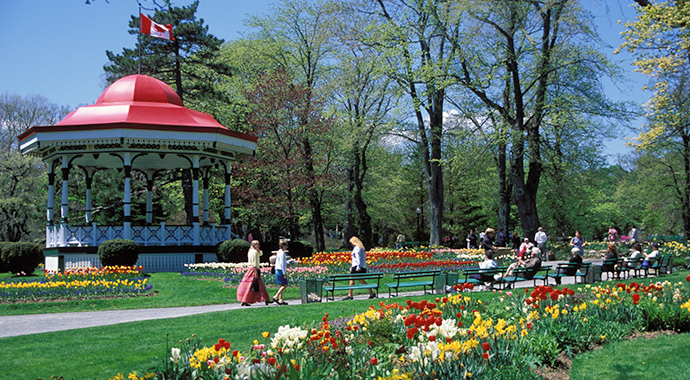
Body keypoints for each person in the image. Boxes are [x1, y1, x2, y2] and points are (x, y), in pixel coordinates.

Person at [237, 240, 271, 306]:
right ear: (253, 244)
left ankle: (266, 299)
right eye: (257, 244)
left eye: (258, 244)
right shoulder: (254, 252)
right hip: (254, 269)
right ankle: (245, 300)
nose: (258, 245)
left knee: (256, 285)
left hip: (250, 268)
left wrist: (258, 249)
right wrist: (256, 272)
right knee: (252, 286)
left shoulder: (250, 251)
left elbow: (261, 254)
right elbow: (255, 263)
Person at [271, 240, 290, 305]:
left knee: (282, 285)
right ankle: (276, 296)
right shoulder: (282, 253)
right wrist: (284, 273)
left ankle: (280, 299)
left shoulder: (279, 252)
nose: (287, 247)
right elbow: (282, 264)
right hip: (280, 270)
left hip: (278, 269)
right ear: (283, 246)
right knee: (285, 285)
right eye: (286, 245)